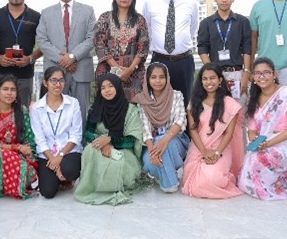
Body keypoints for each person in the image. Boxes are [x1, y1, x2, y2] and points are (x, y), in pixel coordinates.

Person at [238, 57, 287, 200]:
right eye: (257, 73)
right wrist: (255, 141)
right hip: (264, 141)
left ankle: (279, 183)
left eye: (266, 72)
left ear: (274, 74)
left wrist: (268, 144)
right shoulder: (253, 99)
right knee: (249, 165)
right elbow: (251, 130)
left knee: (259, 160)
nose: (262, 76)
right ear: (253, 77)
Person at [75, 73, 145, 205]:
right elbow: (88, 133)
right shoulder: (95, 108)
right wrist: (101, 142)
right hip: (98, 146)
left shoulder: (130, 110)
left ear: (118, 87)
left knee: (117, 162)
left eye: (110, 86)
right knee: (90, 151)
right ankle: (97, 187)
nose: (107, 90)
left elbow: (132, 140)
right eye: (103, 88)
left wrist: (110, 140)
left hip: (123, 149)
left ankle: (112, 186)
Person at [36, 0, 96, 123]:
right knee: (56, 114)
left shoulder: (88, 11)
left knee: (81, 113)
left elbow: (92, 38)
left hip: (80, 69)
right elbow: (42, 41)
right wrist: (63, 59)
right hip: (55, 70)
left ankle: (80, 139)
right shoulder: (46, 13)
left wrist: (72, 57)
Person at [181, 63, 244, 198]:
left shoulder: (230, 104)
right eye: (205, 79)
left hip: (221, 147)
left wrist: (216, 153)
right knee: (193, 180)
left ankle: (228, 177)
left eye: (212, 78)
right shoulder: (194, 102)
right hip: (199, 146)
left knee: (214, 178)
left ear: (220, 80)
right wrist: (204, 152)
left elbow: (229, 133)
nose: (208, 82)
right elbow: (193, 130)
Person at [142, 0, 199, 103]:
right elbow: (147, 29)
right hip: (159, 60)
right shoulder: (150, 3)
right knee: (159, 102)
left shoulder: (191, 3)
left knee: (185, 102)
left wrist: (178, 44)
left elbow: (192, 29)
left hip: (184, 62)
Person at [0, 74, 38, 199]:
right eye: (5, 89)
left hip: (19, 157)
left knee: (29, 171)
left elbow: (29, 140)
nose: (9, 93)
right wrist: (15, 148)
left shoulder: (22, 111)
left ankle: (7, 184)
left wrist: (27, 151)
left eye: (13, 90)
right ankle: (11, 184)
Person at [133, 62, 190, 193]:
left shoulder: (176, 95)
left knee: (164, 145)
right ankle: (168, 176)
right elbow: (145, 128)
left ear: (167, 78)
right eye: (153, 77)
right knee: (149, 163)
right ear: (147, 79)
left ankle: (169, 184)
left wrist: (164, 141)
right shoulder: (143, 100)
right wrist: (152, 152)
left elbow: (180, 121)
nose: (158, 81)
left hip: (175, 141)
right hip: (152, 144)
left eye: (161, 77)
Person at [29, 66, 83, 198]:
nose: (58, 84)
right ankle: (59, 177)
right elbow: (40, 139)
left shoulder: (73, 103)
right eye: (53, 80)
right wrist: (53, 159)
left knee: (70, 171)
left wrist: (60, 156)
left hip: (68, 151)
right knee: (47, 192)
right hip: (47, 154)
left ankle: (65, 176)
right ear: (45, 82)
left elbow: (76, 135)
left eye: (61, 80)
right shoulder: (37, 108)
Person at [0, 0, 42, 108]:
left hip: (25, 73)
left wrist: (30, 58)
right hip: (2, 72)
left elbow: (45, 44)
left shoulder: (36, 17)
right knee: (2, 110)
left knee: (23, 111)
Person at [197, 0, 252, 101]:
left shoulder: (242, 22)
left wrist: (246, 73)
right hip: (216, 75)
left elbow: (247, 48)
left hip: (237, 73)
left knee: (239, 109)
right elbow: (202, 48)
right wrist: (212, 72)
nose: (224, 0)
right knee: (217, 108)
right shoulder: (206, 23)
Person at [94, 0, 150, 101]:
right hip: (108, 71)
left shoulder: (140, 20)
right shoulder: (104, 18)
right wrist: (118, 70)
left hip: (134, 73)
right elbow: (99, 45)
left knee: (133, 107)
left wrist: (130, 70)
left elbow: (143, 47)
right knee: (108, 106)